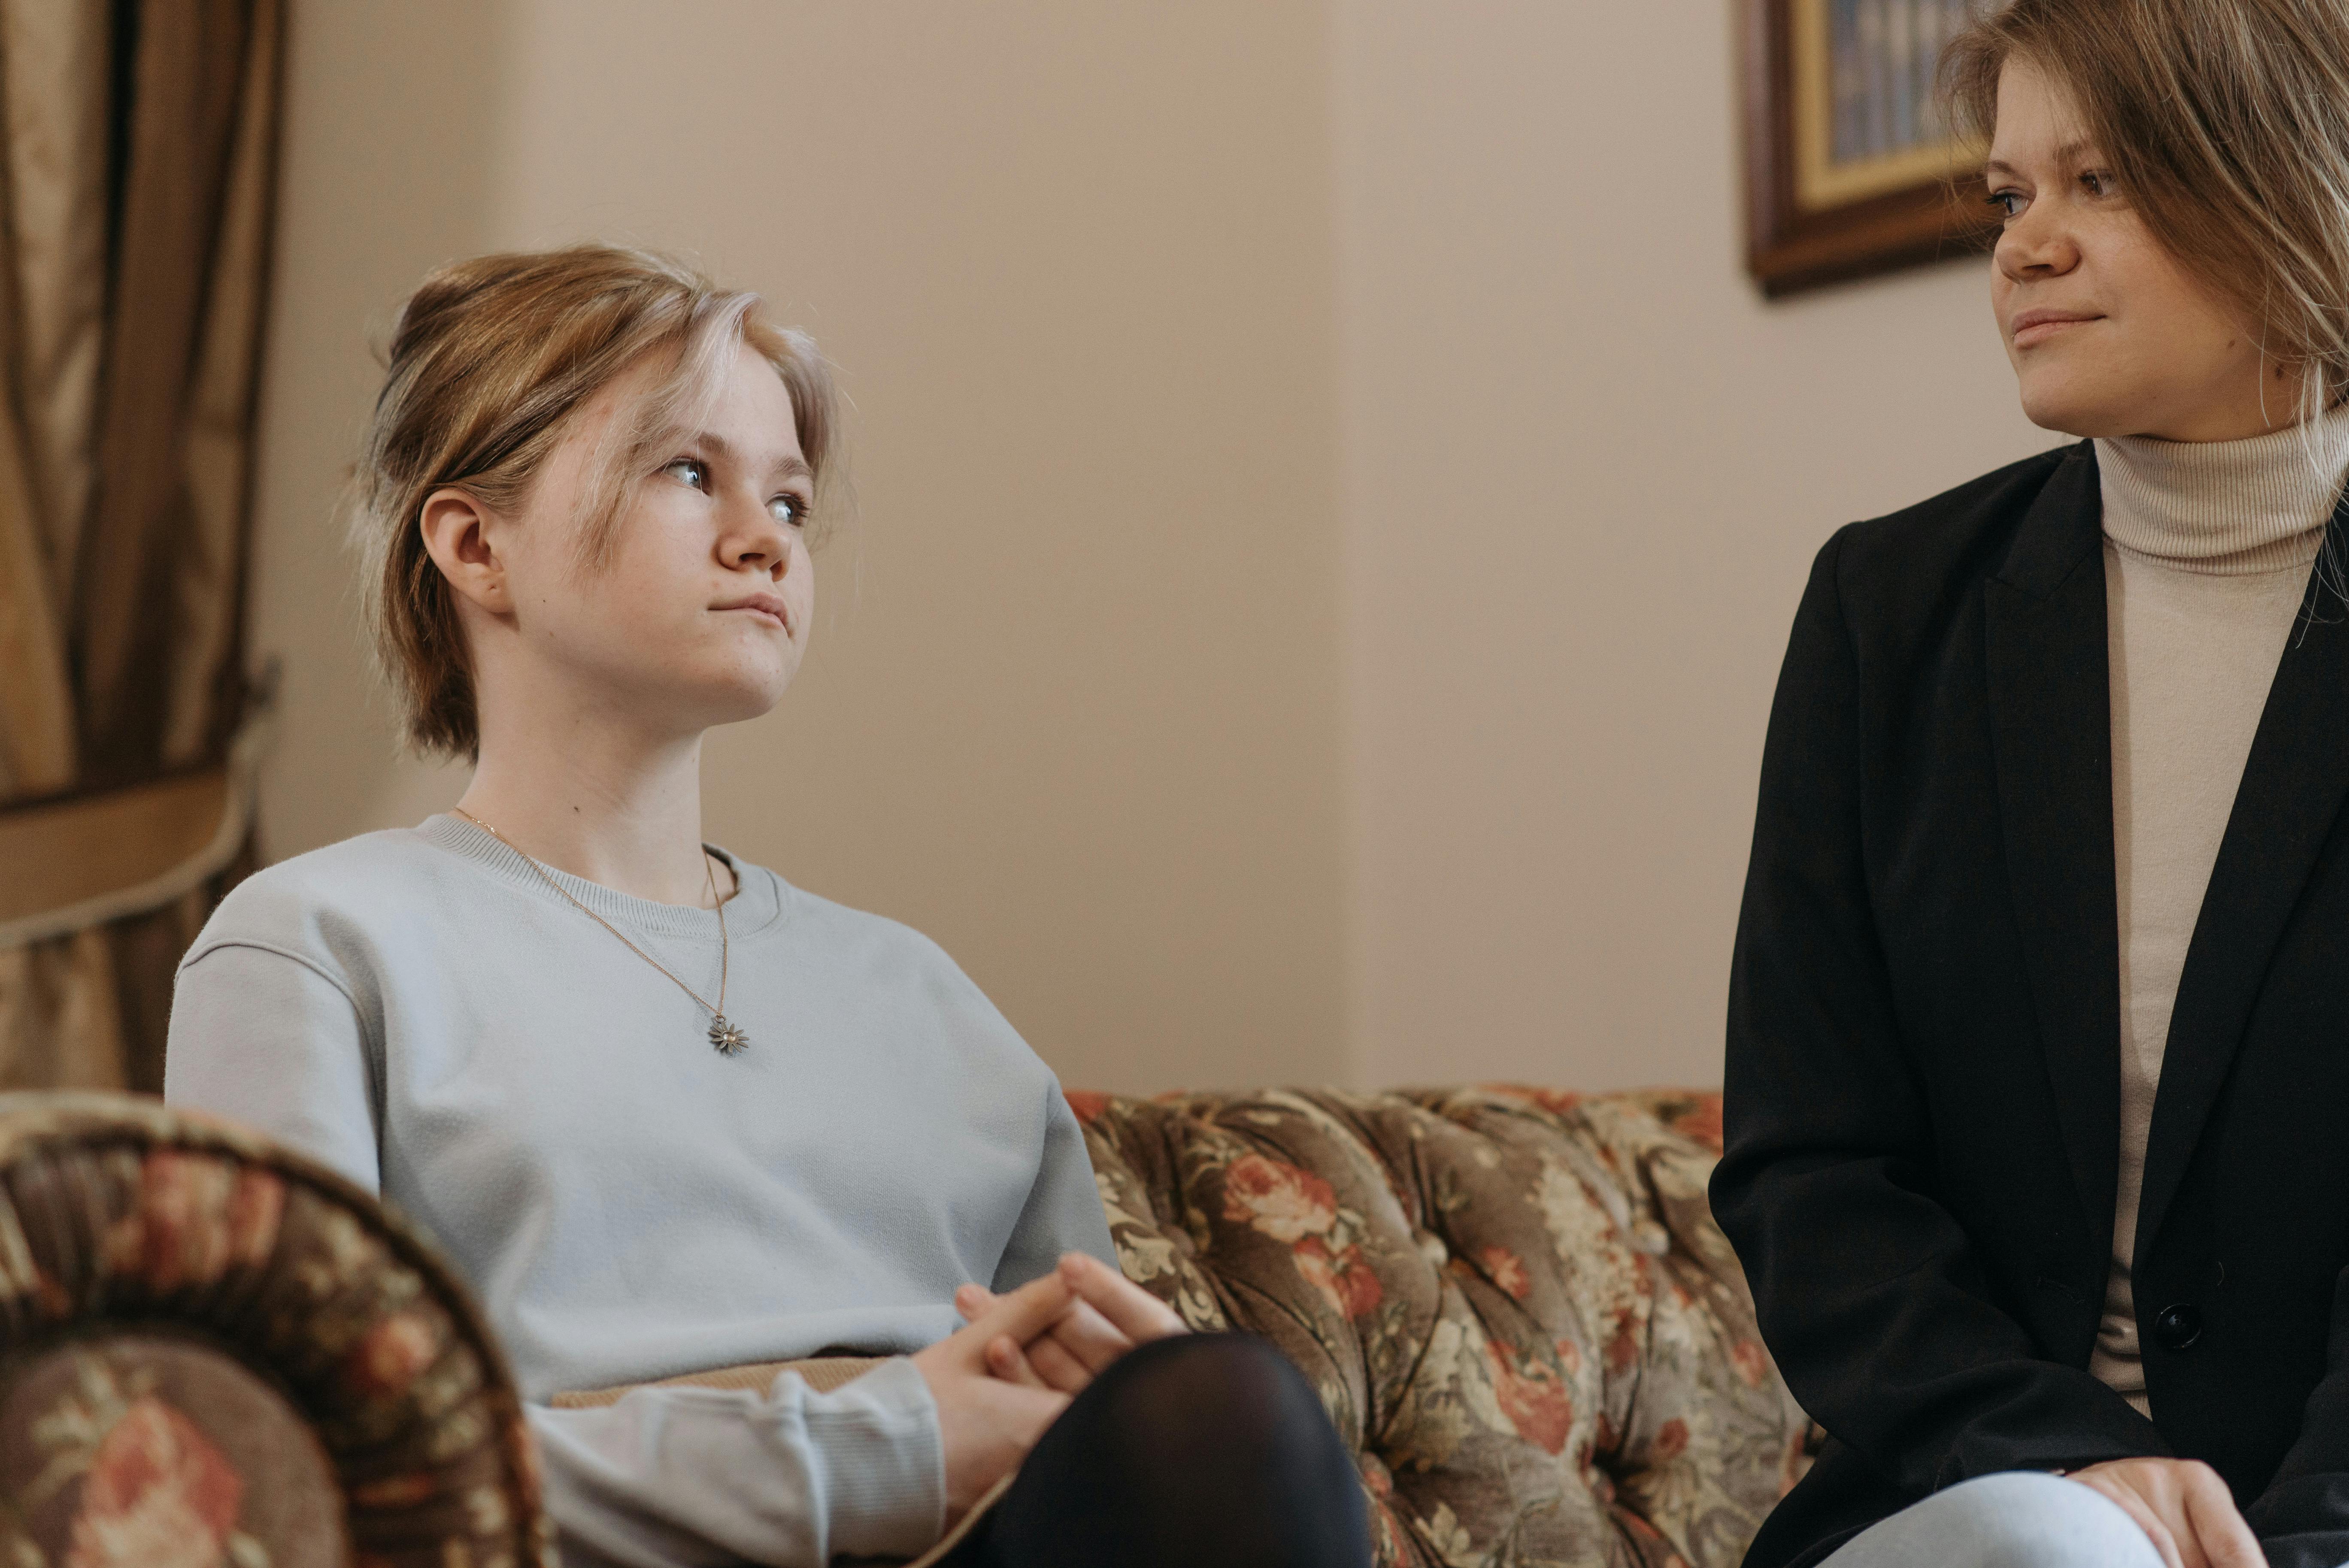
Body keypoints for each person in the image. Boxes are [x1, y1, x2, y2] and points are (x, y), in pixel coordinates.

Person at [163, 245, 1369, 1568]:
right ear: (473, 543)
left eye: (789, 501)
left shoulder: (917, 994)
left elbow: (1069, 1403)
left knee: (1226, 1411)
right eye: (690, 472)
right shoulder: (318, 946)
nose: (765, 540)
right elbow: (282, 1448)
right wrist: (881, 1447)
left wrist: (1147, 1408)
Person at [1711, 3, 2349, 1567]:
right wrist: (2058, 1456)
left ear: (2293, 181)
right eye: (2009, 197)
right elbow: (1813, 1170)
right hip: (1987, 1503)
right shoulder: (1888, 612)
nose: (2022, 249)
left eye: (2101, 181)